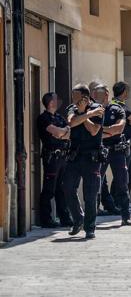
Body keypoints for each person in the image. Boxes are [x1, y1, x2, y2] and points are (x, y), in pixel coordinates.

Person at [63, 84, 105, 239]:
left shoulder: (98, 108)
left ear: (85, 97)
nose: (73, 99)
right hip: (74, 157)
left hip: (92, 158)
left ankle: (90, 228)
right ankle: (78, 219)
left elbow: (94, 130)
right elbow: (71, 123)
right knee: (67, 187)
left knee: (90, 194)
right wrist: (85, 113)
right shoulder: (72, 108)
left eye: (75, 96)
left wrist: (83, 114)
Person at [94, 84, 131, 226]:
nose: (96, 96)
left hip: (117, 151)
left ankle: (125, 215)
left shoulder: (116, 109)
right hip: (100, 150)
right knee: (95, 183)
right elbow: (91, 131)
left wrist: (100, 131)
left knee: (122, 183)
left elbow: (119, 129)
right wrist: (107, 131)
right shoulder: (92, 111)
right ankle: (93, 217)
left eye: (99, 93)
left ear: (106, 94)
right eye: (94, 93)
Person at [37, 92, 73, 228]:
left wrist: (61, 133)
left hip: (63, 157)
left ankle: (64, 218)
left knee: (61, 189)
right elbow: (57, 132)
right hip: (52, 157)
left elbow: (69, 133)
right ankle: (46, 219)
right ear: (51, 102)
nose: (58, 102)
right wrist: (61, 133)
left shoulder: (58, 117)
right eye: (56, 99)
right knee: (49, 189)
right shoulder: (43, 118)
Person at [111, 81, 131, 193]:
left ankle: (124, 204)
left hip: (130, 145)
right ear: (124, 92)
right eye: (127, 91)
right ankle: (118, 204)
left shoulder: (121, 105)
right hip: (124, 146)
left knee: (127, 176)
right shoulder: (118, 106)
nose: (128, 93)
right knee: (122, 177)